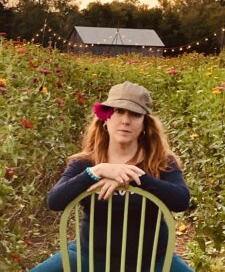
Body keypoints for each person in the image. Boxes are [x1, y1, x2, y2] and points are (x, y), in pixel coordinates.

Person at [31, 81, 194, 272]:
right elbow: (55, 201)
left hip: (152, 261)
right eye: (118, 111)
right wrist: (96, 172)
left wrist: (133, 176)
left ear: (144, 124)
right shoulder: (86, 163)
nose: (125, 120)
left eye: (134, 114)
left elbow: (181, 200)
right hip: (89, 257)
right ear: (105, 118)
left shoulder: (161, 162)